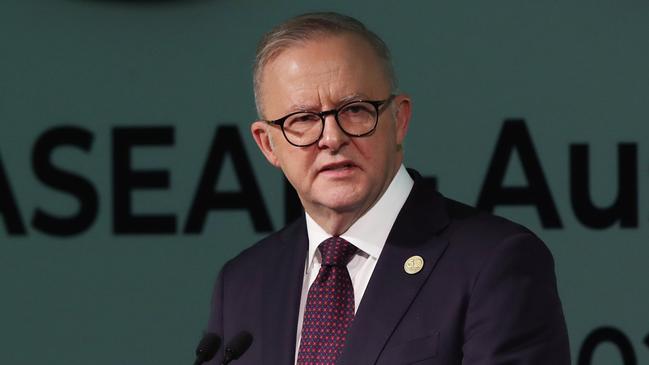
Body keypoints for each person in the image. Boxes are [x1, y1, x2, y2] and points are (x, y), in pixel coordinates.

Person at [204, 11, 570, 365]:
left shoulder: (494, 262)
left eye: (355, 110)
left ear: (399, 119)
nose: (332, 138)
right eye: (302, 119)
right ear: (268, 145)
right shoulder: (242, 284)